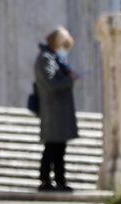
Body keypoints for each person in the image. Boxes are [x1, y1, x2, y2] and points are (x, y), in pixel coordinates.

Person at [34, 27, 79, 192]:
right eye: (64, 45)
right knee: (52, 146)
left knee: (59, 147)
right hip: (53, 111)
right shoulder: (46, 59)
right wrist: (70, 79)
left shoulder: (53, 58)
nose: (64, 50)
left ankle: (60, 180)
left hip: (59, 111)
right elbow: (51, 84)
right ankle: (45, 180)